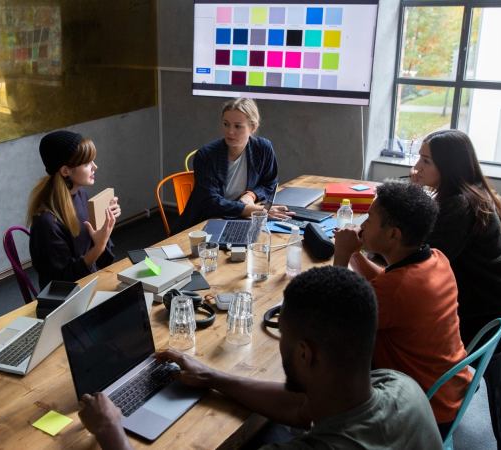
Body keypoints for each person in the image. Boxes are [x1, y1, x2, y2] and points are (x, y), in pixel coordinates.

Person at [78, 266, 443, 449]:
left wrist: (111, 431)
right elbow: (302, 407)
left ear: (304, 353)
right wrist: (211, 376)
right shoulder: (402, 387)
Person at [333, 182, 470, 435]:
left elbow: (333, 320)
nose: (363, 224)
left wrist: (341, 255)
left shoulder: (397, 290)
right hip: (450, 390)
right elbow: (386, 279)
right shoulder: (436, 258)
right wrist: (354, 254)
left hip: (424, 410)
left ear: (393, 235)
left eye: (369, 219)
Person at [411, 129, 501, 348]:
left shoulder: (461, 205)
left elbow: (422, 260)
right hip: (499, 306)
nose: (417, 167)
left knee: (395, 318)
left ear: (448, 166)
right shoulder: (471, 192)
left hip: (484, 319)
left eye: (426, 161)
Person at [174, 98, 290, 232]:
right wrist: (257, 210)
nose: (230, 131)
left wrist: (251, 195)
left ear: (253, 127)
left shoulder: (263, 148)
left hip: (240, 218)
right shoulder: (206, 155)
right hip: (204, 223)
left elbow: (269, 183)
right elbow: (211, 202)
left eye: (237, 126)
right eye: (226, 124)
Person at [28, 130, 121, 289]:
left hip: (90, 281)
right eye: (87, 163)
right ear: (65, 171)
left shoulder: (80, 194)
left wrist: (105, 225)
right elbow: (63, 282)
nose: (95, 167)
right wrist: (99, 246)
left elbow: (100, 258)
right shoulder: (46, 222)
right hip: (67, 296)